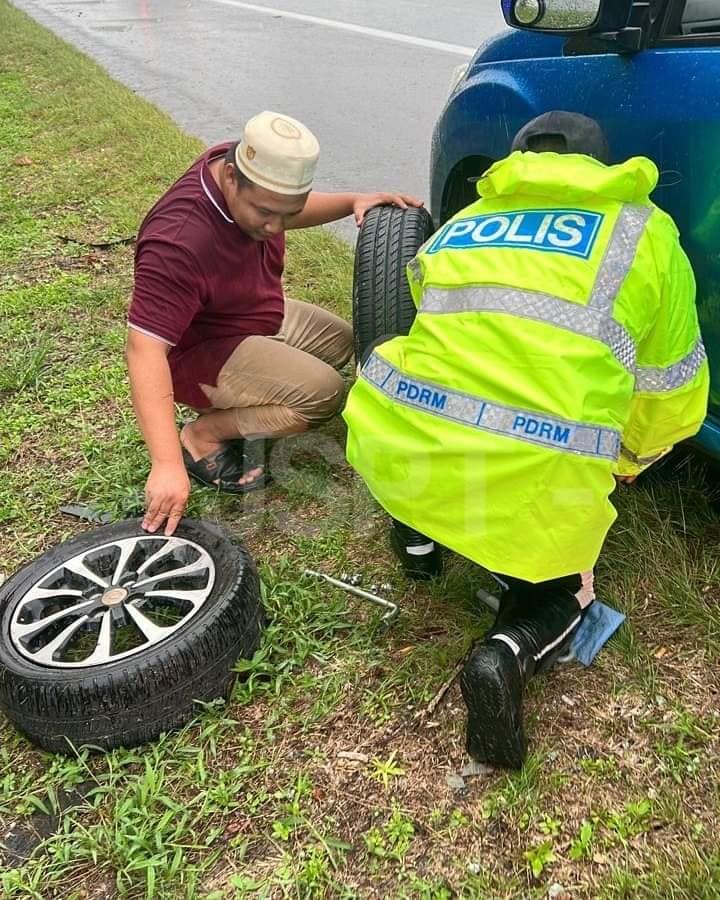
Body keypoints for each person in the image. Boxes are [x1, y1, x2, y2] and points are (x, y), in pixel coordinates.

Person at [343, 111, 709, 769]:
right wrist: (627, 460)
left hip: (402, 440)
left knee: (421, 427)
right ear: (597, 165)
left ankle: (419, 546)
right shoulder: (645, 233)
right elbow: (671, 388)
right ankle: (506, 650)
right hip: (530, 469)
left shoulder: (465, 221)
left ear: (516, 162)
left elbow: (435, 324)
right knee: (566, 587)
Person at [127, 111, 421, 537]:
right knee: (323, 394)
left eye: (288, 213)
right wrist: (166, 463)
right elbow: (144, 350)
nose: (275, 227)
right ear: (231, 178)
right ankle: (203, 435)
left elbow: (280, 209)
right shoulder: (178, 243)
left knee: (348, 343)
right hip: (199, 350)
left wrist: (353, 201)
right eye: (266, 213)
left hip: (243, 309)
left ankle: (256, 380)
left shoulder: (244, 173)